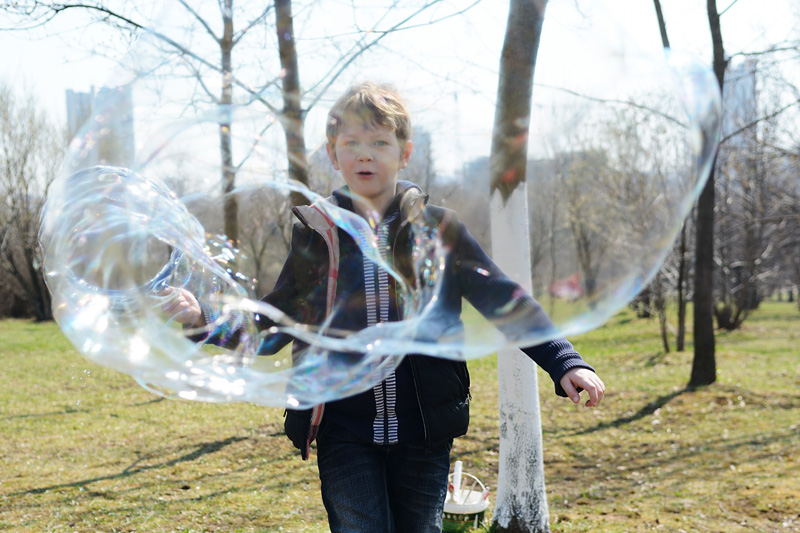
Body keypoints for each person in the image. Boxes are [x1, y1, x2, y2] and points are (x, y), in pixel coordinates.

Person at [164, 81, 605, 533]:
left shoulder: (439, 230)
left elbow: (502, 298)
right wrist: (205, 318)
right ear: (333, 155)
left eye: (379, 143)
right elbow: (277, 319)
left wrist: (563, 360)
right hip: (343, 429)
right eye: (351, 144)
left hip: (424, 431)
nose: (365, 155)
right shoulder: (317, 236)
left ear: (404, 153)